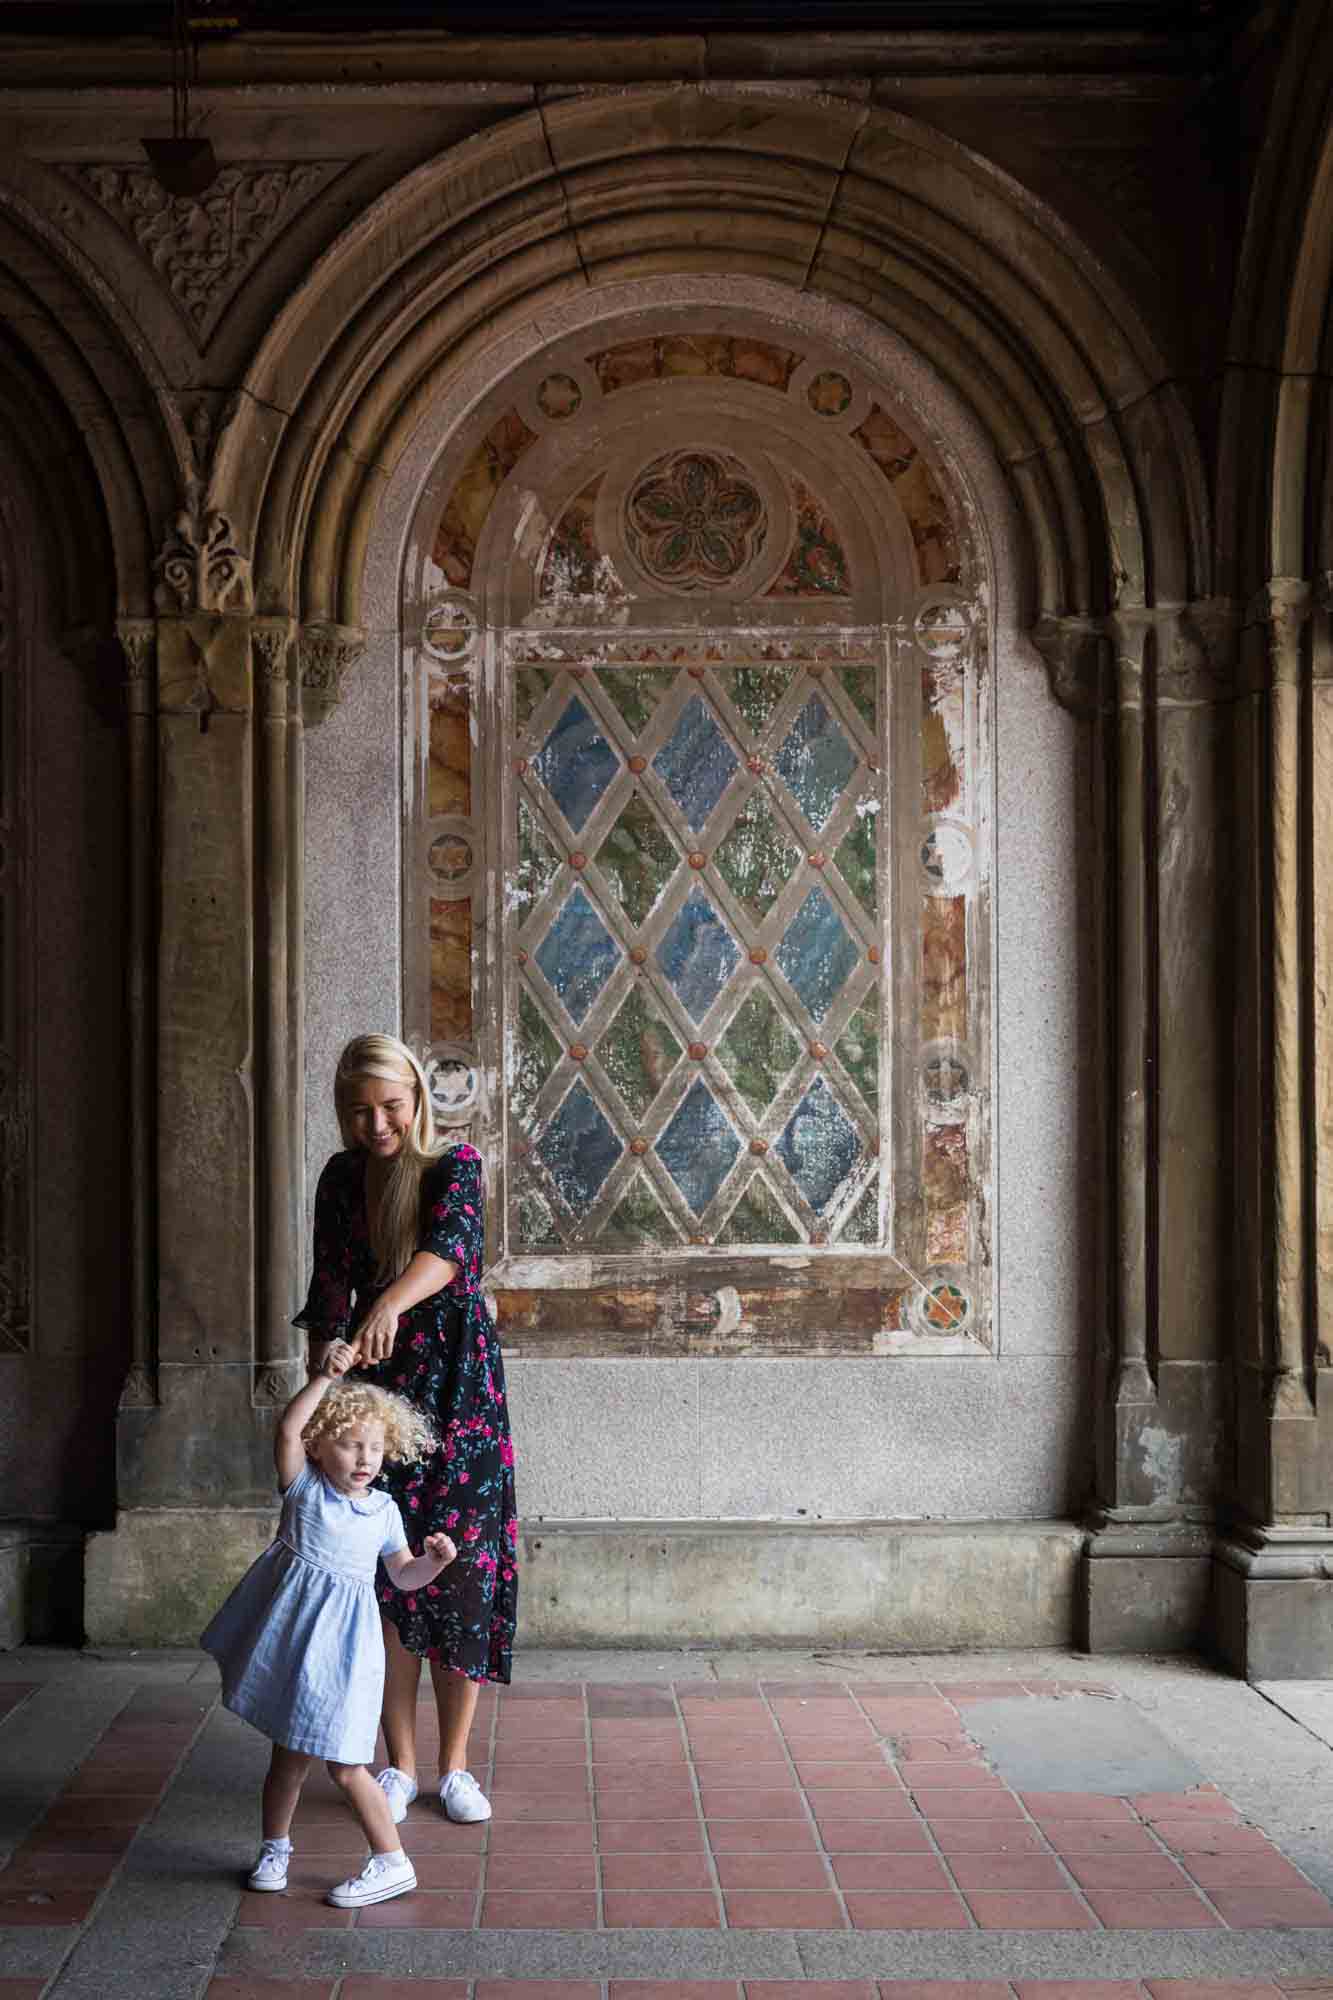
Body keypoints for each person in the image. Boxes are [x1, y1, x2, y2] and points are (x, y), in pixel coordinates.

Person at [294, 1032, 517, 1829]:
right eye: (359, 1112)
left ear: (417, 1099)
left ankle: (454, 1769)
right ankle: (399, 1764)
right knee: (383, 1576)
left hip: (458, 1387)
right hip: (378, 1394)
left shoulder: (454, 1166)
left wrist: (387, 1302)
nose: (376, 1125)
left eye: (390, 1106)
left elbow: (452, 1251)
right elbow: (327, 1278)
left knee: (460, 1570)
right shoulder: (341, 1177)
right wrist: (328, 1343)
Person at [201, 1343, 457, 1907]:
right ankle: (275, 1848)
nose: (364, 1458)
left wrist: (433, 1561)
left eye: (374, 1447)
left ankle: (391, 1861)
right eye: (349, 1444)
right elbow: (288, 1429)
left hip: (345, 1652)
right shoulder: (305, 1490)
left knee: (346, 1764)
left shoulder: (383, 1511)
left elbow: (403, 1575)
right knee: (287, 1756)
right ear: (319, 1448)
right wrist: (322, 1376)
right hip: (296, 1645)